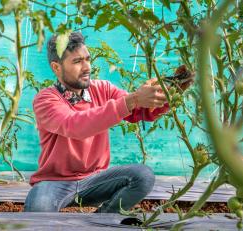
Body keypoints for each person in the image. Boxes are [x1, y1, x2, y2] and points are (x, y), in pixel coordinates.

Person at [24, 32, 182, 213]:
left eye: (87, 59)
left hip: (95, 181)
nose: (86, 67)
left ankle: (102, 220)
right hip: (54, 183)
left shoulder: (103, 89)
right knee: (38, 210)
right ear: (56, 67)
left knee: (143, 176)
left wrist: (169, 94)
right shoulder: (46, 99)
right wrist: (134, 99)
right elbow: (74, 125)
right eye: (77, 62)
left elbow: (138, 111)